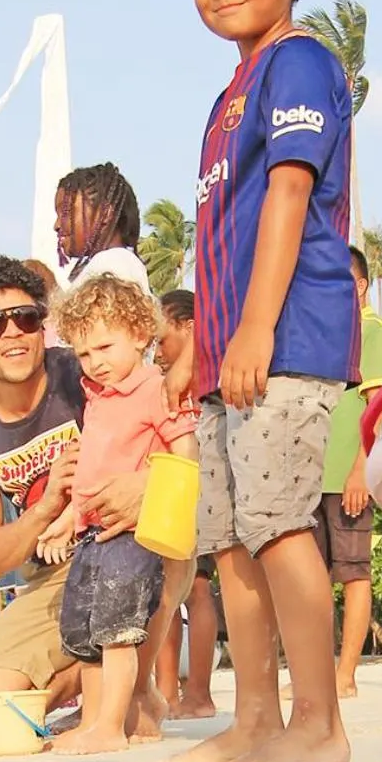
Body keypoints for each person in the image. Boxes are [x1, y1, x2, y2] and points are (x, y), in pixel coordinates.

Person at [167, 0, 359, 762]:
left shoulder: (300, 61)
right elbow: (220, 233)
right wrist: (198, 346)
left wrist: (251, 330)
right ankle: (252, 718)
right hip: (222, 353)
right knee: (230, 541)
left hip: (283, 341)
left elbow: (287, 196)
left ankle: (318, 723)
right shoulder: (225, 99)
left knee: (281, 525)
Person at [0, 251, 159, 748]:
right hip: (49, 578)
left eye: (26, 317)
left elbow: (170, 420)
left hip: (123, 547)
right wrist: (44, 508)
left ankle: (132, 693)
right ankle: (88, 684)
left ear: (44, 325)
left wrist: (142, 483)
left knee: (149, 538)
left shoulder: (84, 371)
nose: (13, 332)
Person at [35, 276, 199, 754]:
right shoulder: (97, 397)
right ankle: (96, 720)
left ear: (140, 335)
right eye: (85, 354)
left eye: (105, 347)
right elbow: (91, 469)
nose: (96, 363)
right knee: (86, 635)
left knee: (118, 632)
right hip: (90, 533)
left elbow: (184, 449)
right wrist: (67, 518)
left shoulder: (154, 387)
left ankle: (110, 727)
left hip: (130, 533)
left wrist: (168, 503)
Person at [316, 246, 382, 698]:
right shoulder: (329, 334)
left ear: (360, 285)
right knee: (310, 579)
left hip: (348, 473)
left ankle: (345, 674)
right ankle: (316, 672)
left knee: (353, 573)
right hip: (312, 473)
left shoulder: (375, 333)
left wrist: (361, 471)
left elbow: (380, 408)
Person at [154, 289, 220, 718]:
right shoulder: (161, 387)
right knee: (166, 592)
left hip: (204, 491)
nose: (157, 352)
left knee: (196, 588)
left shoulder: (210, 380)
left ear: (190, 328)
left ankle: (199, 692)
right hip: (169, 492)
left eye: (162, 340)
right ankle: (166, 694)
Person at [54, 164, 151, 291]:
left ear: (105, 213)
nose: (57, 225)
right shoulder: (115, 265)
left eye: (66, 212)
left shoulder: (112, 266)